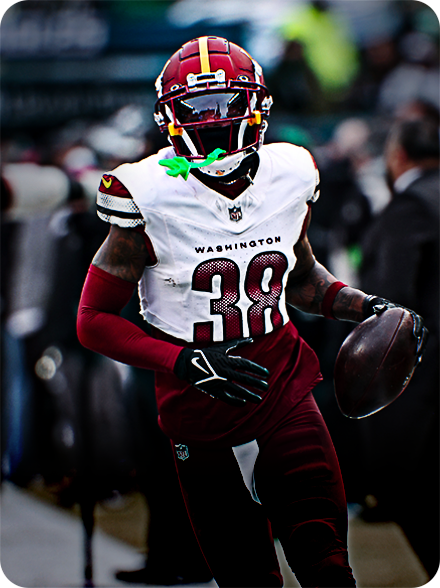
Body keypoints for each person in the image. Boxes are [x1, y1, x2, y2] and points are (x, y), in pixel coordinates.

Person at [76, 36, 426, 588]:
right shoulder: (147, 192)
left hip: (284, 391)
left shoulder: (289, 173)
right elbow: (92, 320)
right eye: (197, 107)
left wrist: (367, 306)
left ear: (257, 105)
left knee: (329, 567)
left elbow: (302, 279)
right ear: (169, 116)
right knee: (248, 578)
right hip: (198, 411)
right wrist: (184, 361)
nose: (214, 119)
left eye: (227, 103)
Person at [360, 115, 440, 580]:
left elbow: (394, 301)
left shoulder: (410, 205)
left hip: (424, 376)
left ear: (398, 155)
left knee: (405, 485)